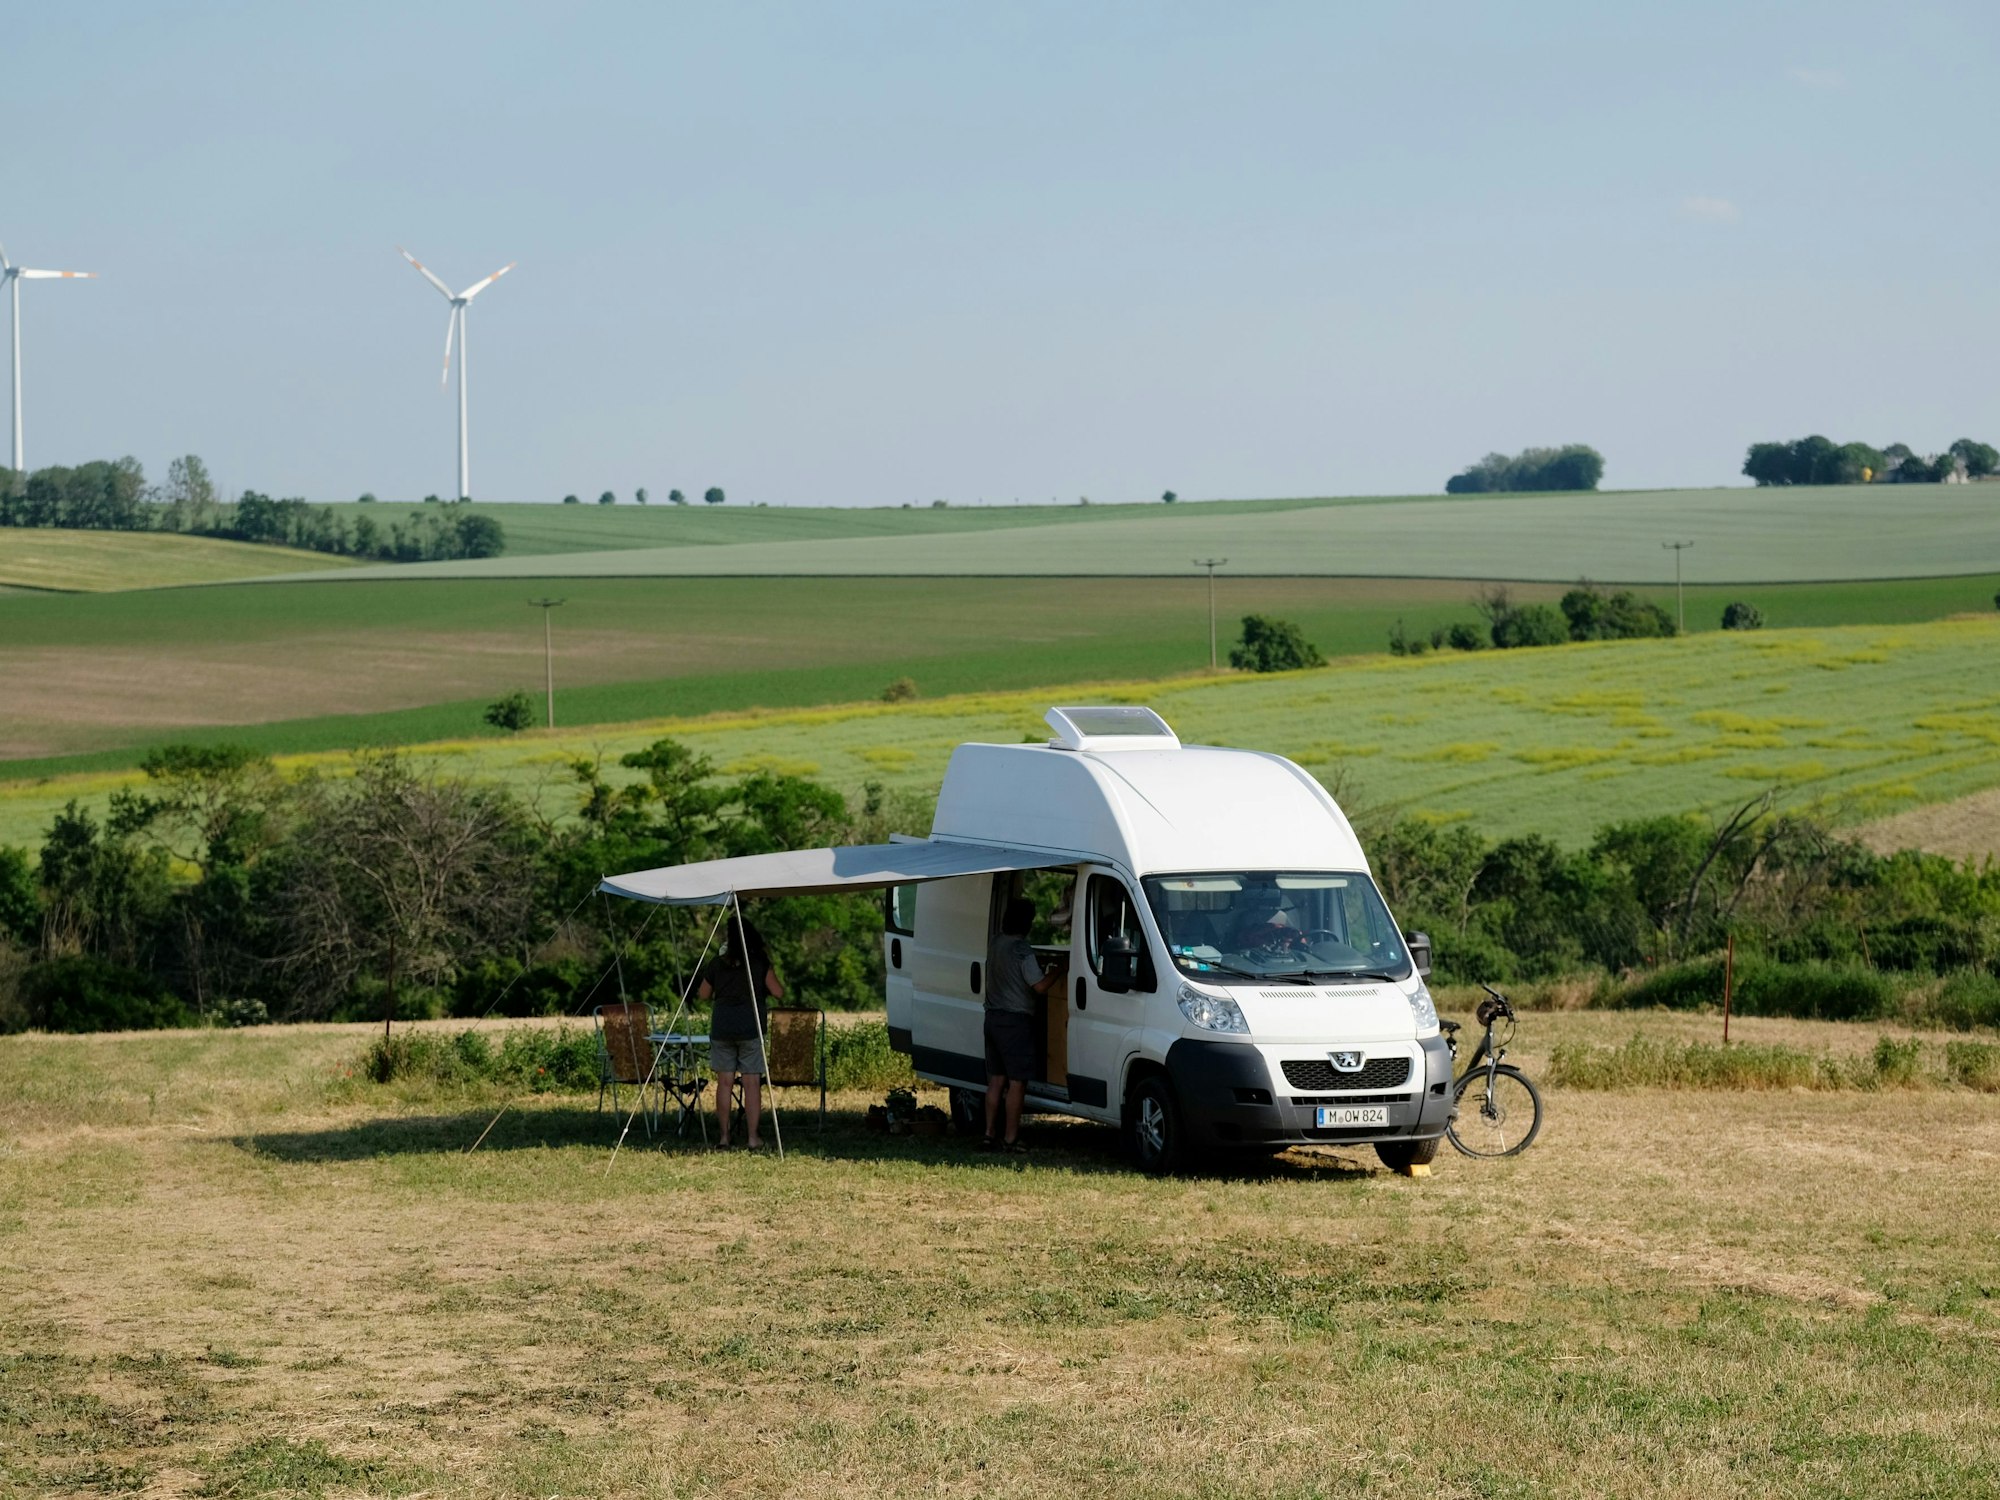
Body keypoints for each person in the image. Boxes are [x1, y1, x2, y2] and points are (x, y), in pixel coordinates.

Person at [697, 915, 785, 1149]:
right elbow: (778, 992)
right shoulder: (758, 962)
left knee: (724, 1083)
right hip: (750, 1027)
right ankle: (753, 1138)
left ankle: (724, 1137)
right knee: (751, 1084)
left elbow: (703, 995)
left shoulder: (717, 964)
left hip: (723, 1027)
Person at [983, 896, 1059, 1153]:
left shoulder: (995, 943)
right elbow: (1039, 986)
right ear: (1026, 922)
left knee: (995, 1080)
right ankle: (1011, 1139)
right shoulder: (1021, 949)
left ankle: (989, 1133)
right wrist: (1059, 971)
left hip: (992, 1018)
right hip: (1015, 1021)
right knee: (1017, 1082)